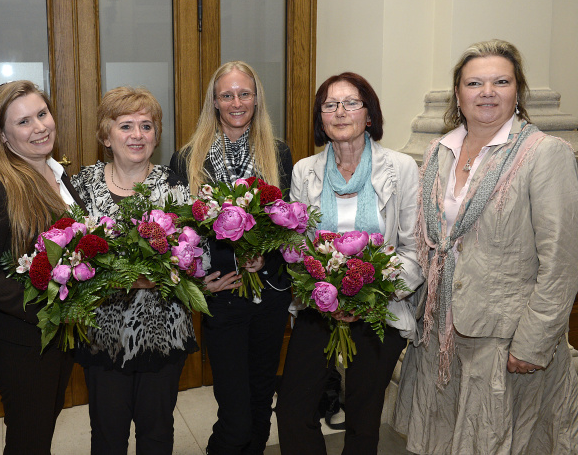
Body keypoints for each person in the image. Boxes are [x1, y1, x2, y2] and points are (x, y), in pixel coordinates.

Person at [392, 39, 578, 454]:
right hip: (442, 336)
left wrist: (533, 342)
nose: (487, 92)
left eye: (501, 81)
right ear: (458, 94)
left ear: (518, 92)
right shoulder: (439, 152)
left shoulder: (545, 154)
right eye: (474, 82)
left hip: (505, 341)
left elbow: (561, 264)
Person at [274, 72, 421, 454]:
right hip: (319, 303)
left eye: (351, 103)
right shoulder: (306, 170)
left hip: (380, 306)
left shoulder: (401, 168)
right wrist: (326, 296)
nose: (340, 112)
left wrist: (367, 297)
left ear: (369, 114)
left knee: (363, 415)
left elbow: (413, 250)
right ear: (321, 118)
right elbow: (297, 245)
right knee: (293, 409)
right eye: (329, 105)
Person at [71, 86, 203, 455]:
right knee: (108, 436)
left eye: (146, 126)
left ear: (157, 135)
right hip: (103, 334)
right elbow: (69, 257)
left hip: (163, 332)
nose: (137, 135)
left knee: (157, 433)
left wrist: (162, 272)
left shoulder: (174, 187)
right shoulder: (81, 186)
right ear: (105, 135)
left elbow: (194, 256)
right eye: (125, 125)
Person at [170, 61, 293, 455]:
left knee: (261, 404)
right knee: (235, 415)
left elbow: (288, 222)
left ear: (256, 99)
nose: (236, 102)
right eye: (227, 95)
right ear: (215, 102)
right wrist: (198, 282)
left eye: (244, 93)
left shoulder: (278, 152)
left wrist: (264, 256)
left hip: (268, 298)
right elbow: (179, 235)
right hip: (221, 298)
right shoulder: (188, 157)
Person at [0, 80, 81, 454]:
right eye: (24, 122)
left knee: (44, 422)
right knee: (29, 435)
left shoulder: (60, 176)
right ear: (3, 134)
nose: (40, 127)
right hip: (22, 338)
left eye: (42, 114)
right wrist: (46, 310)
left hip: (60, 333)